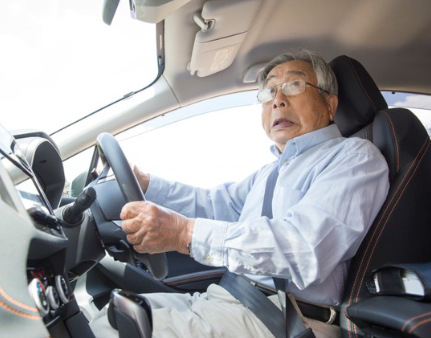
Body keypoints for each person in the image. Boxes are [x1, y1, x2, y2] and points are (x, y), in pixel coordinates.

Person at [90, 49, 390, 338]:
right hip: (230, 301)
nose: (278, 100)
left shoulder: (354, 158)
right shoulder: (270, 172)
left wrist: (183, 233)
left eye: (295, 85)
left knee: (112, 329)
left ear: (330, 104)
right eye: (269, 91)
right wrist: (146, 183)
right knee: (108, 315)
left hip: (284, 320)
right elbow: (212, 204)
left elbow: (304, 249)